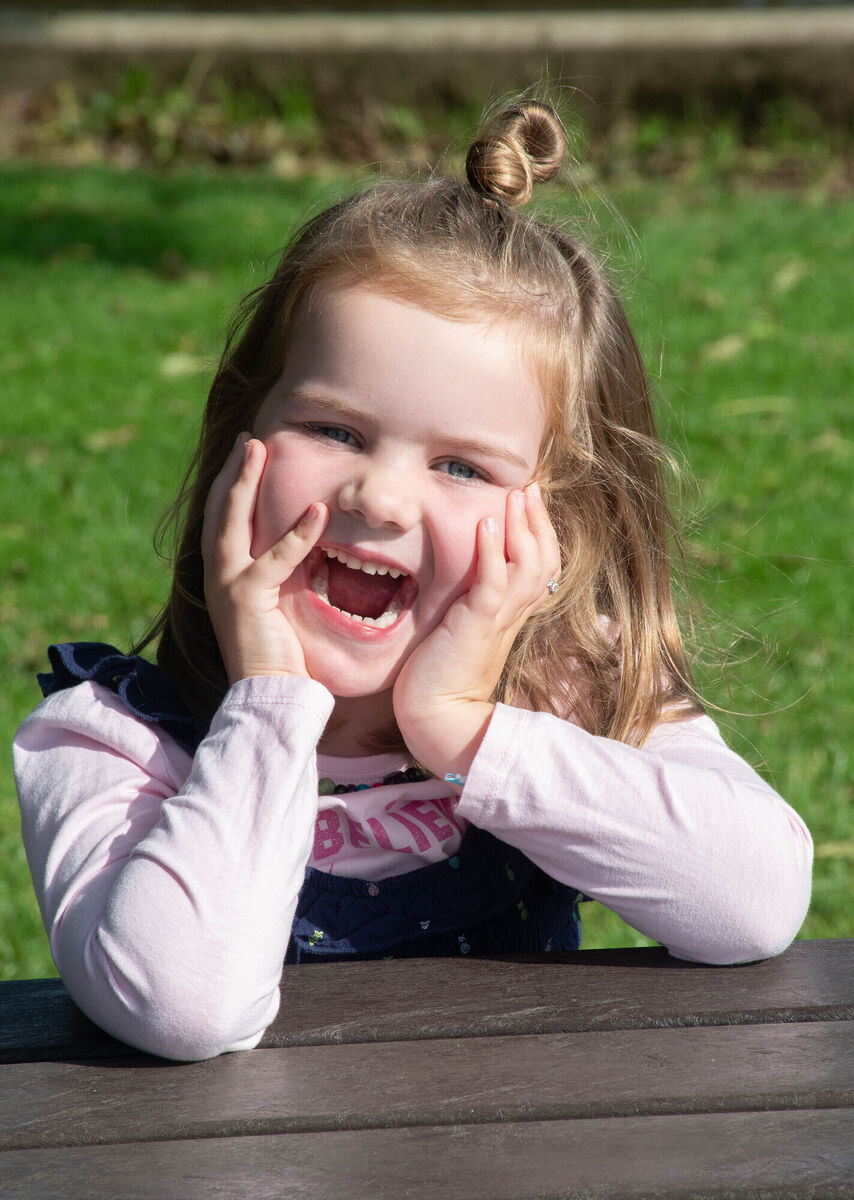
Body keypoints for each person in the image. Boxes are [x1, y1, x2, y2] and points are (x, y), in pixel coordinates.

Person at [13, 101, 812, 1061]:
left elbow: (758, 903)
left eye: (464, 467)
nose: (381, 497)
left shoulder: (569, 694)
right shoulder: (120, 744)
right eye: (334, 429)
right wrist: (269, 700)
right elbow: (182, 1005)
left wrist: (466, 726)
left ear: (560, 523)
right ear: (240, 438)